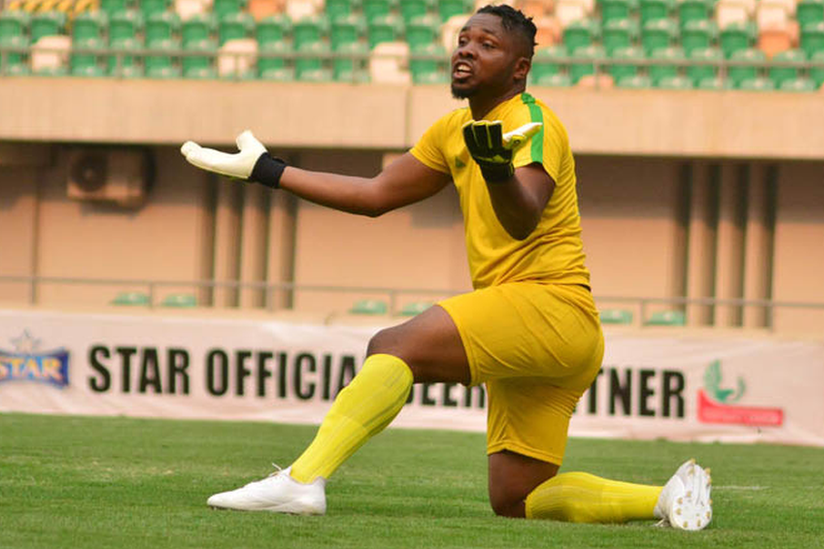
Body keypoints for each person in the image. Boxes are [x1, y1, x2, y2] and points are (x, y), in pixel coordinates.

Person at [180, 4, 712, 530]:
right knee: (518, 498)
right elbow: (374, 195)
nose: (467, 50)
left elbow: (523, 217)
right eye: (463, 39)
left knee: (393, 346)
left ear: (519, 67)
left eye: (487, 45)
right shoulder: (455, 128)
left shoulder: (532, 120)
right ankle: (668, 499)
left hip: (550, 307)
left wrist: (499, 171)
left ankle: (302, 480)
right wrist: (269, 171)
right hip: (554, 333)